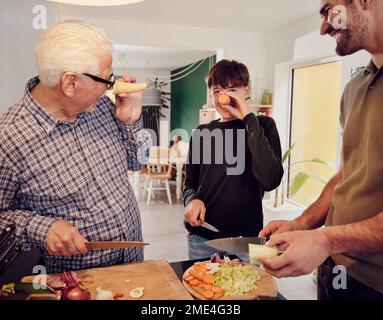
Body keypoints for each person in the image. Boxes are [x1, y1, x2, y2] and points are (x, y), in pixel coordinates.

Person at [0, 21, 151, 273]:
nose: (110, 85)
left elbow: (139, 162)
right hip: (77, 280)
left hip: (133, 261)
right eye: (106, 78)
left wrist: (131, 120)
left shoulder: (103, 107)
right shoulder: (9, 139)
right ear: (70, 82)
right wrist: (40, 227)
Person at [259, 0, 383, 300]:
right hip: (336, 270)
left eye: (330, 10)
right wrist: (303, 223)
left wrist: (326, 240)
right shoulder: (354, 88)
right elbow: (346, 175)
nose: (324, 26)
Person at [183, 59, 284, 260]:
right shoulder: (202, 133)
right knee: (201, 289)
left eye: (231, 90)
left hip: (246, 241)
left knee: (245, 291)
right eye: (217, 90)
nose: (223, 97)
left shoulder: (263, 126)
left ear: (246, 90)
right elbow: (189, 185)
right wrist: (192, 200)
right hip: (202, 239)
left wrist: (247, 116)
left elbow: (270, 180)